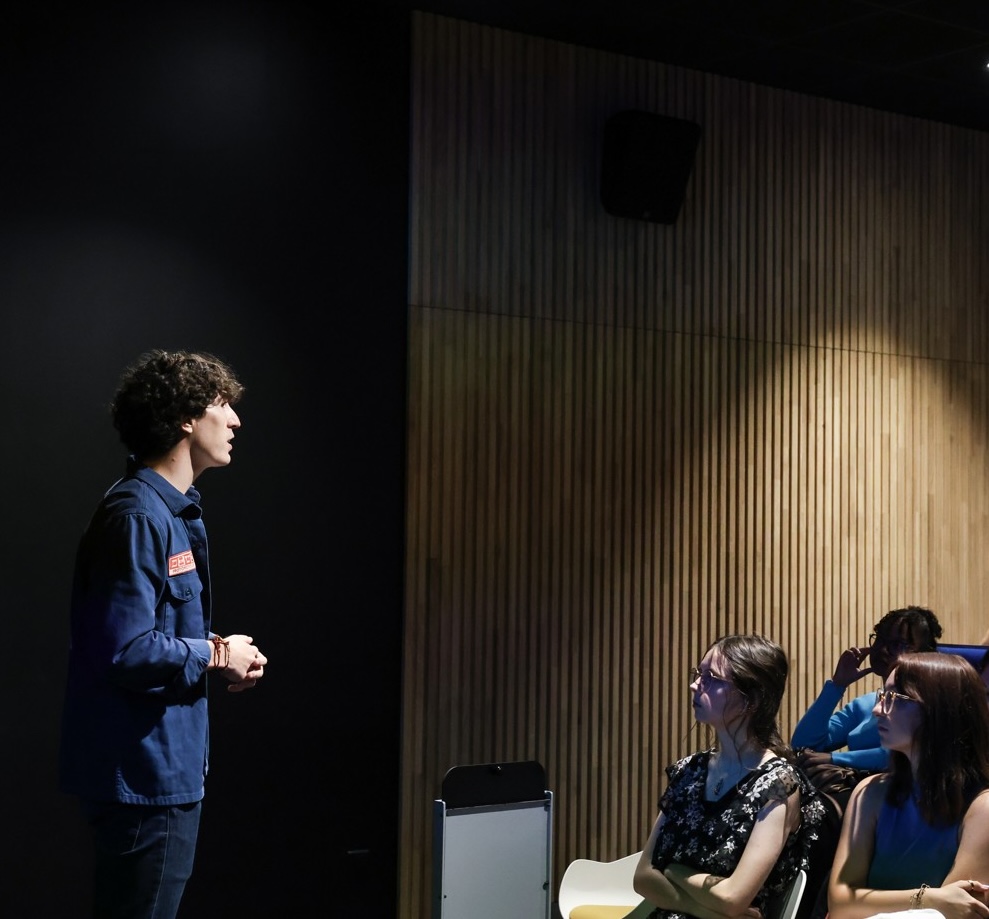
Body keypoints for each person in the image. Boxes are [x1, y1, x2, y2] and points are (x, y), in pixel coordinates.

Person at [58, 349, 267, 919]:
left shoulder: (164, 513)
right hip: (144, 782)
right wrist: (216, 653)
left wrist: (221, 651)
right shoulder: (138, 517)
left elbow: (155, 630)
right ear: (185, 418)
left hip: (159, 776)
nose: (235, 420)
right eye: (221, 404)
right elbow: (124, 650)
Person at [618, 634, 826, 919]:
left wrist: (673, 870)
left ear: (751, 699)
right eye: (698, 674)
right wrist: (707, 910)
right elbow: (643, 877)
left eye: (711, 678)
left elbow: (732, 898)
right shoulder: (689, 771)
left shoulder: (778, 784)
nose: (695, 685)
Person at [827, 652, 989, 919]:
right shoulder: (870, 791)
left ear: (939, 711)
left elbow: (953, 912)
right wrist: (927, 897)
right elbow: (840, 903)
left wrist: (931, 903)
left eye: (895, 698)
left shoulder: (982, 808)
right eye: (882, 696)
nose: (878, 710)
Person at [792, 605, 942, 813]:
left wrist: (836, 759)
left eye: (897, 644)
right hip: (856, 798)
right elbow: (803, 743)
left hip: (898, 802)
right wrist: (837, 685)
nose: (883, 650)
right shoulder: (866, 704)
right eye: (879, 640)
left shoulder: (925, 704)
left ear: (924, 654)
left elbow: (904, 754)